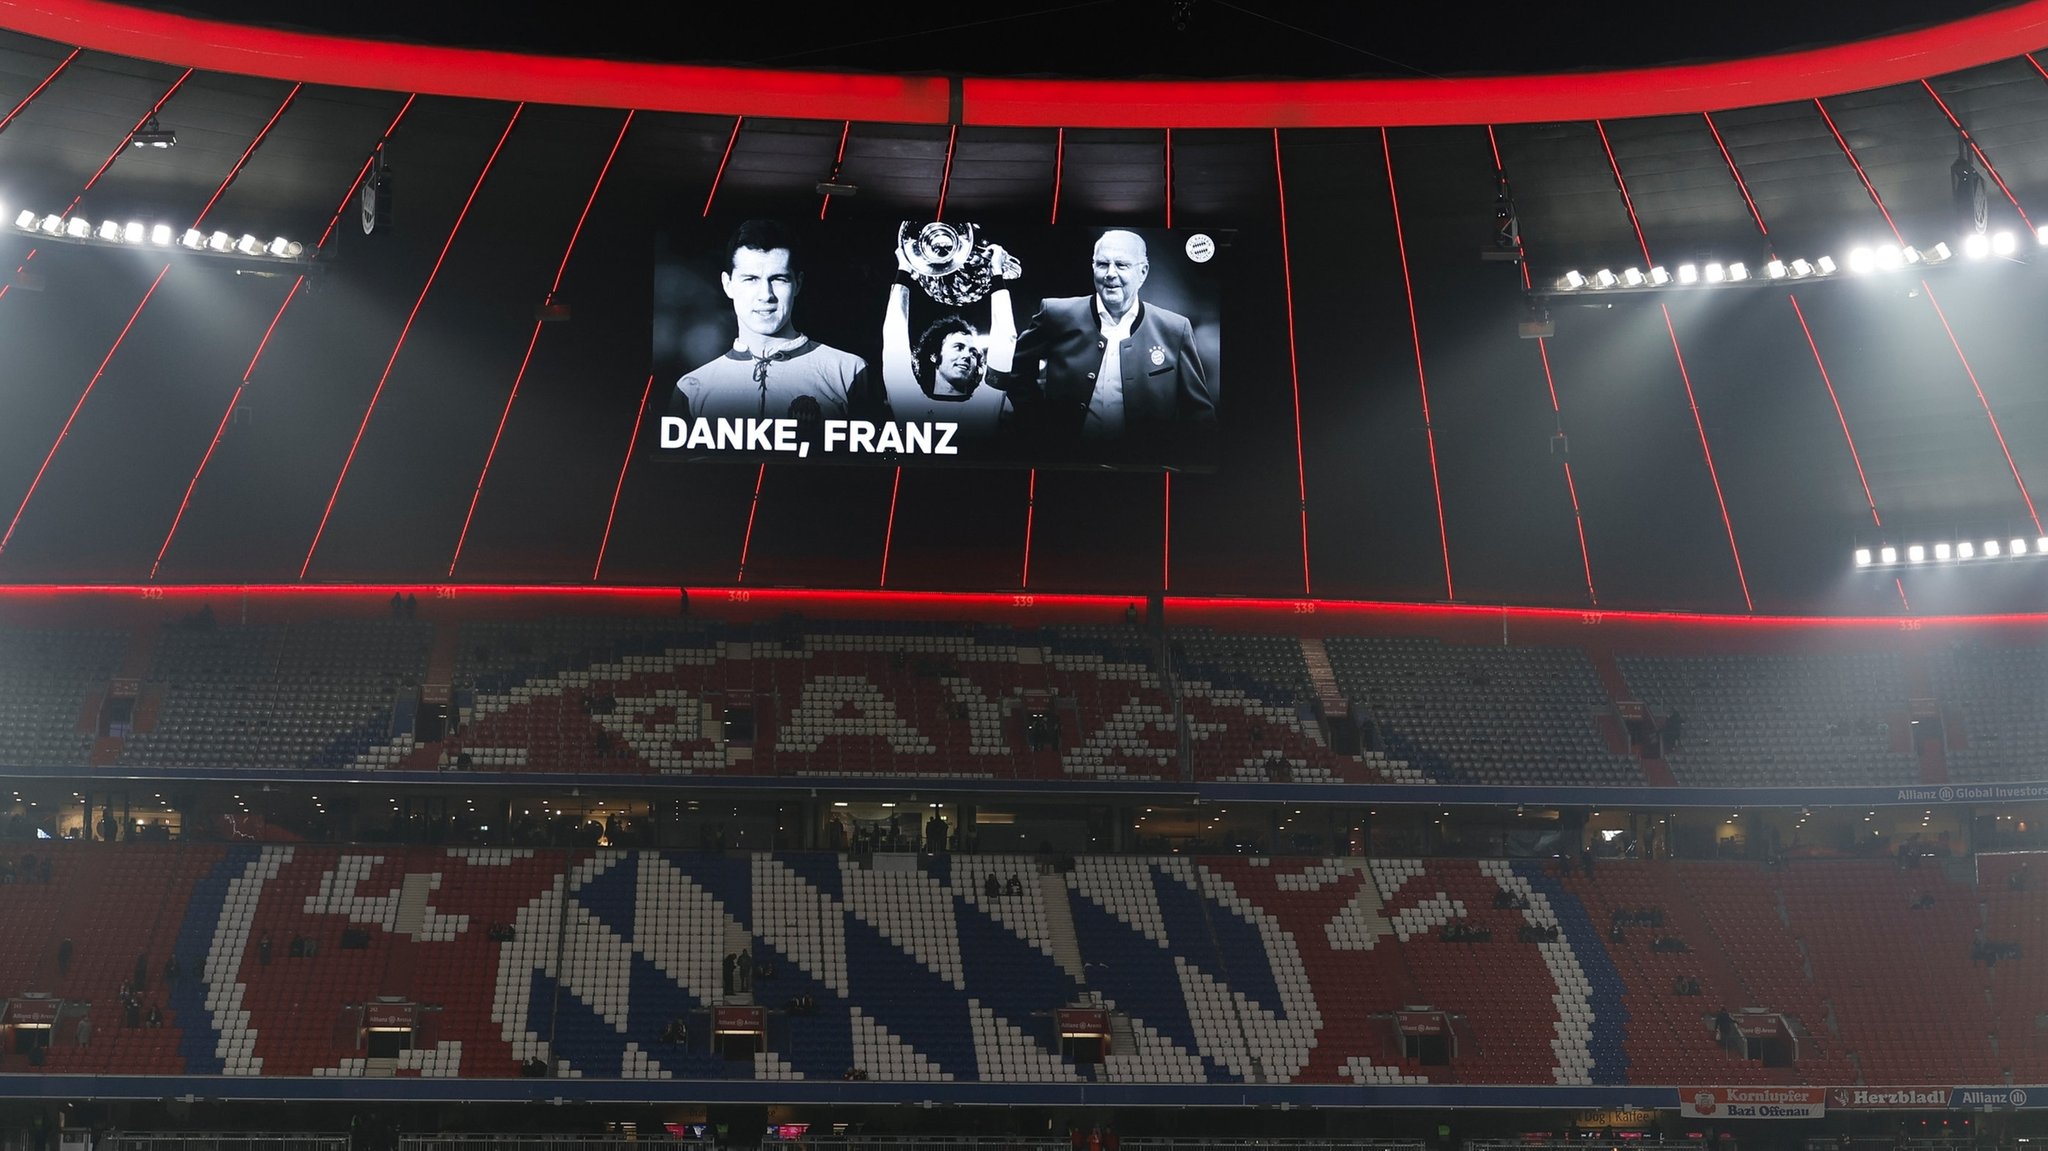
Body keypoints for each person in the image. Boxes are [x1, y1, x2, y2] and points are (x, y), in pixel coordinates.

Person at [988, 229, 1214, 445]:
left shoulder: (1175, 328)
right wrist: (1037, 422)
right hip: (1069, 463)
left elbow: (1199, 412)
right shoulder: (1055, 314)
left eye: (1122, 265)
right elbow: (1015, 367)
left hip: (1144, 469)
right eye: (1103, 264)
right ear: (1093, 267)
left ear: (1143, 272)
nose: (1110, 274)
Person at [670, 218, 880, 426]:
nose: (766, 295)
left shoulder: (849, 372)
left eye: (779, 279)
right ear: (728, 284)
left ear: (797, 284)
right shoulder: (692, 389)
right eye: (750, 279)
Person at [880, 245, 1018, 440]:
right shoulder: (907, 401)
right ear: (934, 355)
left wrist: (997, 272)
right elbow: (894, 339)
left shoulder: (987, 403)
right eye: (958, 347)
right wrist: (903, 269)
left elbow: (1006, 339)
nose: (967, 357)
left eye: (973, 352)